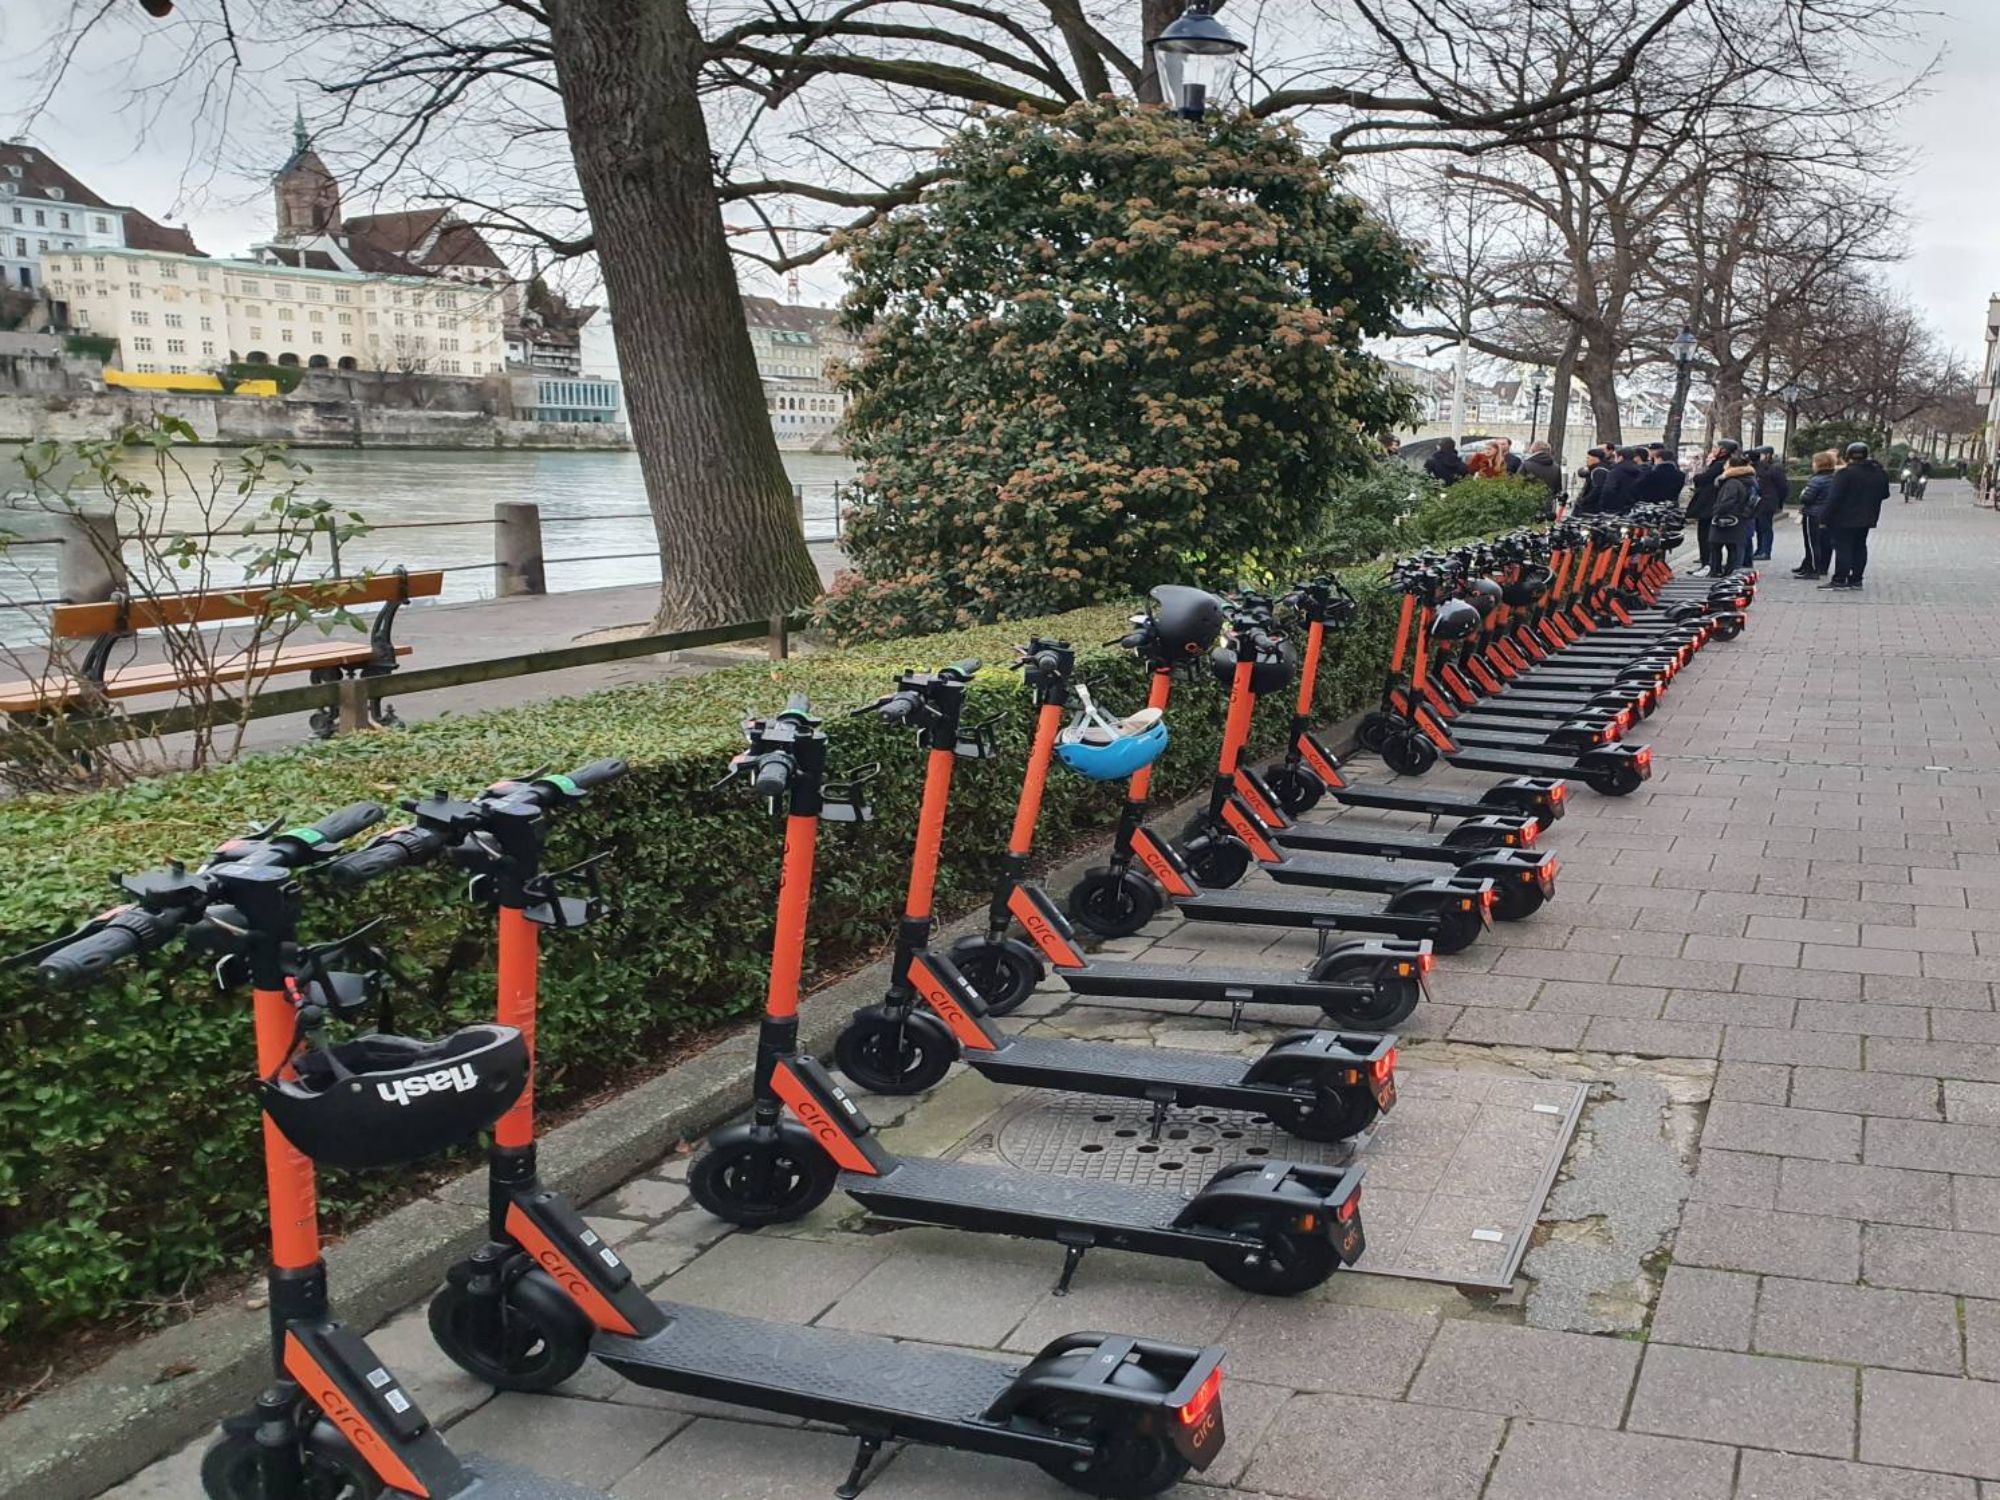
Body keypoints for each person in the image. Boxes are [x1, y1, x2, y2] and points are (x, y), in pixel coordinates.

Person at [1821, 440, 1890, 590]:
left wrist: (1824, 517)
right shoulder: (1878, 473)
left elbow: (1834, 498)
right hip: (1867, 517)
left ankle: (1840, 579)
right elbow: (1885, 494)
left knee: (1843, 548)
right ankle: (1856, 579)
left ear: (1848, 456)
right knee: (1860, 546)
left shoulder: (1844, 474)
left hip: (1843, 518)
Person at [1686, 439, 1738, 573]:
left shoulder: (1719, 465)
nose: (1713, 450)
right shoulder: (1720, 464)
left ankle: (1708, 564)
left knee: (1705, 536)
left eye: (1716, 447)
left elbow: (1703, 479)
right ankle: (1708, 563)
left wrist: (1697, 476)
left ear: (1723, 450)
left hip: (1709, 506)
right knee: (1706, 536)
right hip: (1709, 505)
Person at [1708, 452, 1760, 576]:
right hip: (1740, 518)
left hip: (1727, 518)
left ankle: (1716, 570)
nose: (1724, 465)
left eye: (1726, 463)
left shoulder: (1732, 482)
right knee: (1733, 547)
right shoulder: (1749, 479)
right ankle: (1731, 570)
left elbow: (1727, 501)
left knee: (1716, 545)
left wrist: (1717, 511)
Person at [1793, 448, 1839, 579]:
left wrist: (1803, 493)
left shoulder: (1816, 480)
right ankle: (1821, 567)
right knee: (1825, 542)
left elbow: (1806, 498)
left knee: (1812, 543)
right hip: (1828, 514)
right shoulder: (1834, 478)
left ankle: (1813, 569)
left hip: (1813, 514)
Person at [1750, 446, 1789, 561]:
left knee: (1765, 526)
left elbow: (1782, 487)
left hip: (1768, 501)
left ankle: (1765, 551)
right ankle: (1759, 549)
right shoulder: (1757, 468)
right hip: (1759, 501)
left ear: (1767, 455)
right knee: (1758, 526)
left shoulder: (1774, 469)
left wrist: (1779, 502)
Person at [1517, 440, 1564, 511]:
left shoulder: (1526, 465)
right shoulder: (1556, 467)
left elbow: (1517, 484)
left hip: (1527, 502)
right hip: (1547, 503)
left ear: (1533, 450)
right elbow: (1558, 488)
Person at [1599, 445, 1645, 515]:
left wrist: (1604, 505)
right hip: (1634, 506)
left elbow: (1609, 489)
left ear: (1620, 457)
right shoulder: (1640, 470)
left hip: (1615, 507)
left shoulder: (1616, 471)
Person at [1575, 448, 1608, 514]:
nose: (1586, 460)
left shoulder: (1598, 471)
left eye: (1588, 458)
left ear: (1596, 459)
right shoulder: (1599, 469)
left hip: (1592, 507)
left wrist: (1584, 500)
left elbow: (1597, 488)